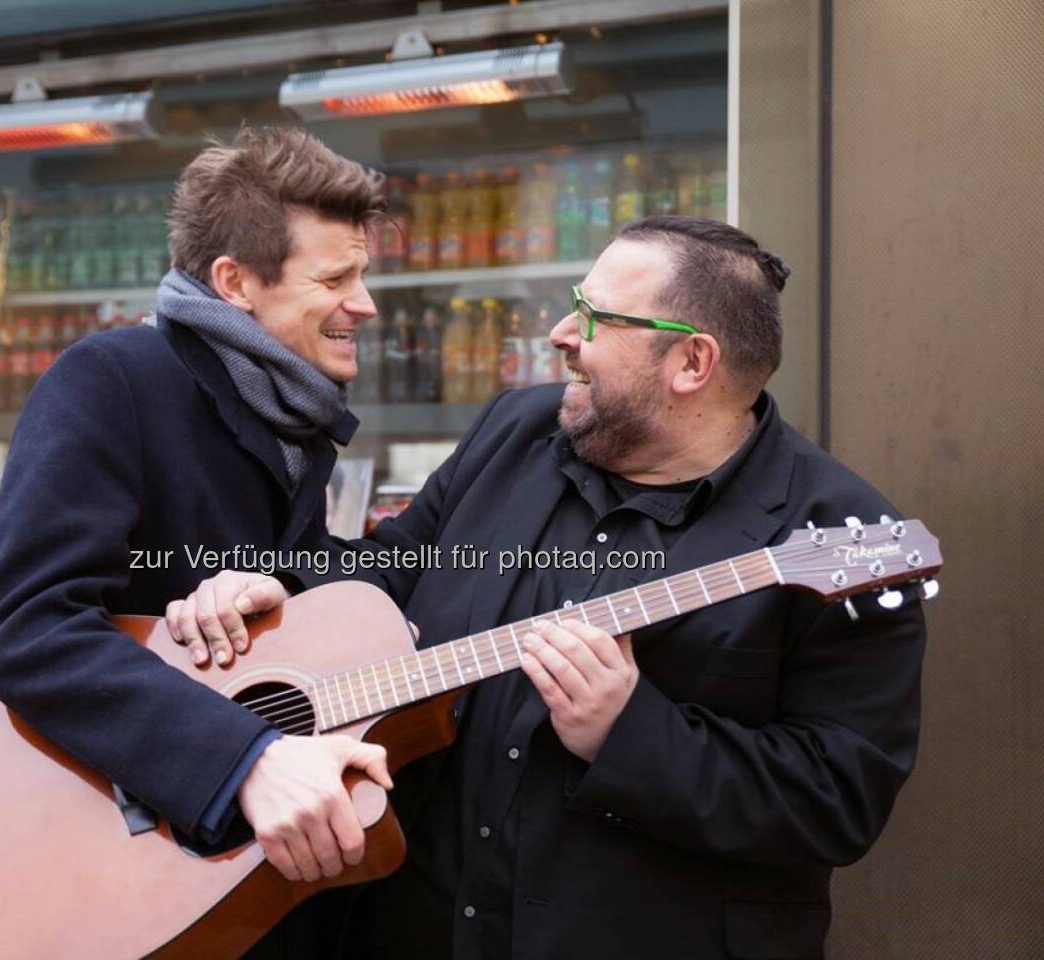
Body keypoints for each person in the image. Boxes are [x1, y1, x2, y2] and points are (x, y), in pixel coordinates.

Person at [167, 216, 928, 959]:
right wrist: (283, 588)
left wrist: (628, 733)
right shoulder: (518, 430)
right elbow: (397, 566)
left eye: (594, 317)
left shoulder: (831, 532)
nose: (561, 333)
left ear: (691, 364)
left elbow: (837, 801)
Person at [0, 127, 397, 957]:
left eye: (365, 275)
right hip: (106, 874)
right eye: (336, 278)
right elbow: (25, 629)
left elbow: (284, 574)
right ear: (235, 282)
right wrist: (246, 759)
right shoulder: (111, 379)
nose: (365, 305)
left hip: (237, 884)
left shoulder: (288, 409)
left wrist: (293, 584)